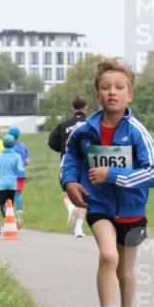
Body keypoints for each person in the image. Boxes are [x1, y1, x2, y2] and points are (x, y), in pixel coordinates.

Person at [61, 59, 154, 307]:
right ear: (97, 95)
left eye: (119, 87)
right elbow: (70, 158)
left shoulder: (138, 132)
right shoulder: (84, 131)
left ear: (130, 95)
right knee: (108, 256)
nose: (112, 92)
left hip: (132, 210)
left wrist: (113, 175)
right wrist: (70, 182)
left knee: (125, 273)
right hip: (99, 205)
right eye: (105, 87)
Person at [48, 96, 89, 237]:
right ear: (86, 108)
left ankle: (71, 208)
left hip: (67, 162)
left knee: (67, 194)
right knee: (83, 195)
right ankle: (79, 229)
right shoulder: (90, 123)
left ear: (73, 109)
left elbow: (52, 142)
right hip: (85, 163)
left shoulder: (63, 125)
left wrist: (62, 149)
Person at [0, 134, 25, 217]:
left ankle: (4, 212)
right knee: (10, 203)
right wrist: (15, 171)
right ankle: (11, 216)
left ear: (3, 144)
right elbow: (21, 169)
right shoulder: (17, 156)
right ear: (13, 144)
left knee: (2, 202)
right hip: (12, 183)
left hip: (2, 183)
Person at [8, 126, 30, 228]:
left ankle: (10, 216)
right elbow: (27, 162)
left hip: (11, 175)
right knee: (17, 195)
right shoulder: (23, 147)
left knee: (9, 196)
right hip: (21, 175)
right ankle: (19, 211)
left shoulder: (9, 147)